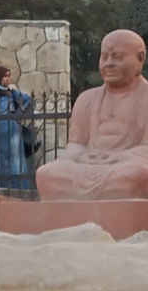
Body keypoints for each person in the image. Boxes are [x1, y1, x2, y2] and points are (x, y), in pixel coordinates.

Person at [36, 29, 148, 201]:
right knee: (46, 174)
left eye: (118, 57)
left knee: (135, 174)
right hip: (89, 165)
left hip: (125, 166)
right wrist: (83, 156)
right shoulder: (86, 99)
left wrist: (120, 156)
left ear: (140, 58)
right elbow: (76, 144)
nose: (109, 64)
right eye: (104, 57)